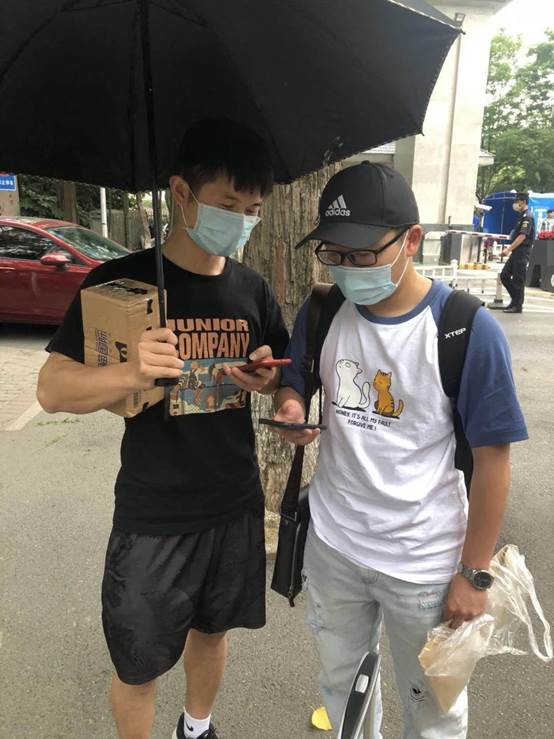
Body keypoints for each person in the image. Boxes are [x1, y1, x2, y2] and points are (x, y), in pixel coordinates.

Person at [37, 118, 289, 739]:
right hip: (154, 515)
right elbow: (52, 389)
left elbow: (280, 373)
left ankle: (197, 728)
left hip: (233, 502)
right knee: (139, 664)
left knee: (213, 632)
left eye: (253, 209)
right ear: (181, 192)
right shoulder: (118, 283)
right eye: (228, 204)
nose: (242, 220)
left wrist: (270, 384)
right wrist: (129, 371)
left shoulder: (252, 290)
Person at [271, 162, 528, 738]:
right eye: (333, 254)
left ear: (411, 240)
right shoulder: (323, 310)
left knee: (433, 711)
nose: (346, 268)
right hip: (334, 545)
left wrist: (474, 574)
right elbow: (296, 383)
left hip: (425, 564)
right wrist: (290, 408)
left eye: (361, 254)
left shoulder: (465, 329)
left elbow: (493, 462)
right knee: (343, 693)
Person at [500, 193, 535, 313]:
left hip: (522, 251)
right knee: (504, 275)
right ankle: (515, 300)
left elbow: (522, 236)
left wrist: (508, 249)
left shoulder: (527, 217)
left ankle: (517, 305)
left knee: (518, 280)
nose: (515, 204)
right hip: (516, 251)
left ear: (523, 202)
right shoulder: (521, 216)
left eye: (517, 201)